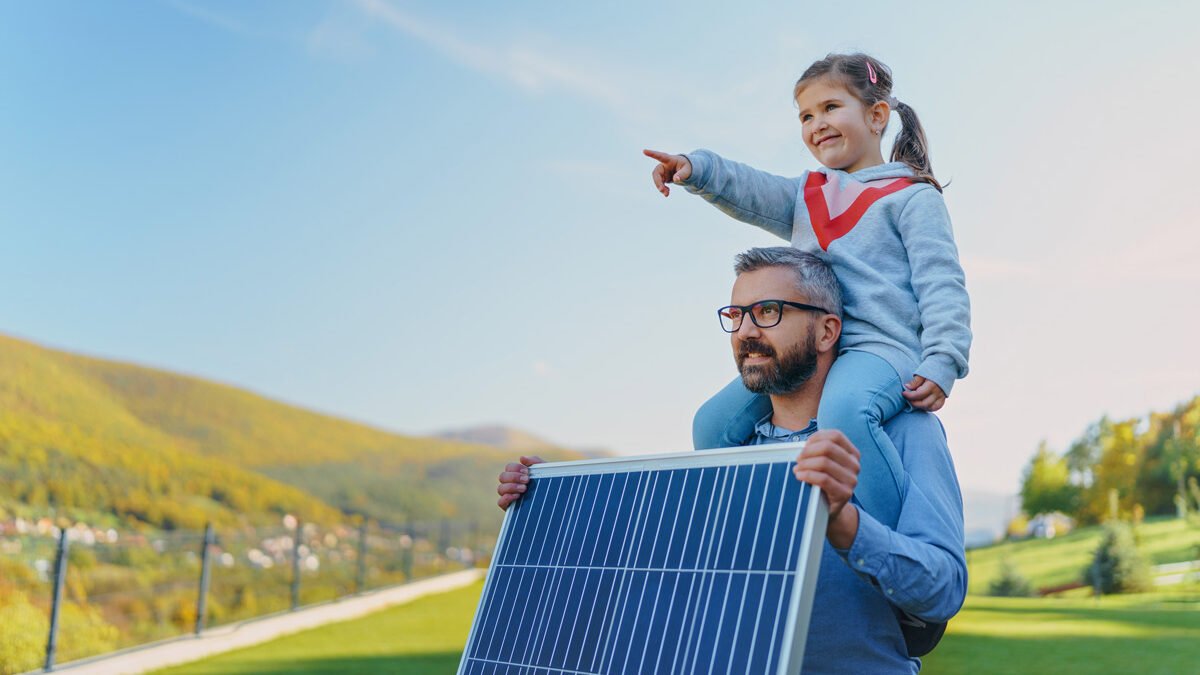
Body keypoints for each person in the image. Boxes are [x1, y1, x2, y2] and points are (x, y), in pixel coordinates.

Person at [497, 247, 967, 673]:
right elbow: (648, 577)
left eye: (768, 312)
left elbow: (944, 590)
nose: (745, 331)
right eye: (736, 315)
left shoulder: (906, 433)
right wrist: (548, 508)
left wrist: (845, 523)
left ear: (827, 331)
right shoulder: (729, 458)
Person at [643, 52, 971, 527]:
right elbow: (749, 189)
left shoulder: (912, 197)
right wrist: (696, 169)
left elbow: (942, 283)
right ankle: (750, 532)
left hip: (881, 348)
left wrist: (944, 359)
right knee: (711, 424)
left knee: (844, 409)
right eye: (806, 116)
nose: (817, 123)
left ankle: (877, 530)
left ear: (877, 116)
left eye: (831, 107)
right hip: (811, 349)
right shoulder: (808, 194)